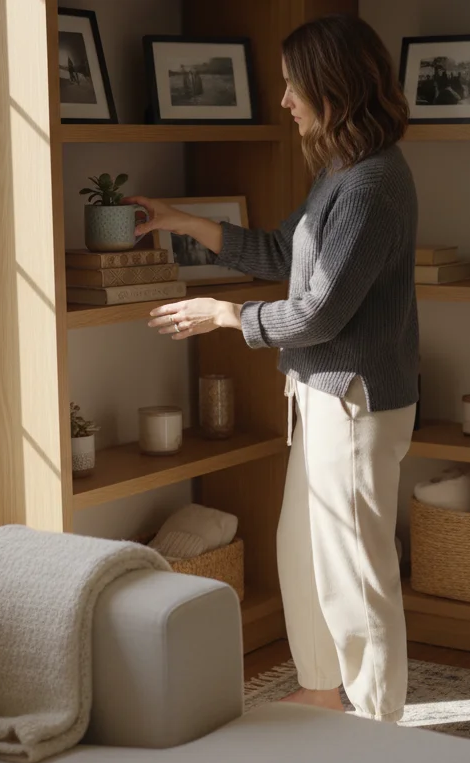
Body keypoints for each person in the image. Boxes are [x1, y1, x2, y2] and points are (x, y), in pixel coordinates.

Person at [126, 14, 416, 724]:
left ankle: (383, 725)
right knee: (302, 549)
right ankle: (322, 687)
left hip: (353, 400)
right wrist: (185, 221)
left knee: (356, 576)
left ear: (331, 88)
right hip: (321, 394)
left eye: (292, 86)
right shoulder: (340, 173)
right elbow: (282, 253)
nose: (284, 100)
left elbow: (319, 315)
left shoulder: (373, 185)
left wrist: (228, 317)